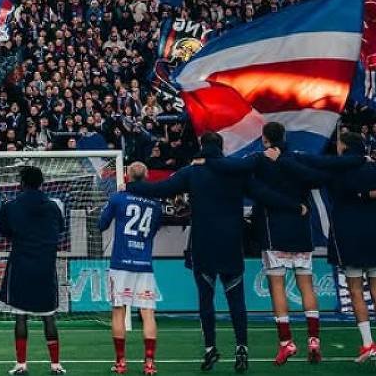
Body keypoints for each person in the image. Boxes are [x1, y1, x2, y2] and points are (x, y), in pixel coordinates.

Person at [126, 132, 304, 373]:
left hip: (203, 246)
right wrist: (295, 206)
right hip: (231, 245)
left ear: (201, 146)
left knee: (205, 301)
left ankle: (210, 349)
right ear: (222, 147)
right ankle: (242, 348)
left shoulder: (193, 171)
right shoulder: (236, 172)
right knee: (236, 302)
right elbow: (265, 195)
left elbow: (160, 189)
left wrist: (130, 186)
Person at [290, 131, 376, 362]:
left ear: (344, 147)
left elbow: (313, 170)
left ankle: (368, 343)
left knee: (356, 290)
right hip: (373, 234)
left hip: (348, 236)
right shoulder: (371, 167)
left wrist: (291, 157)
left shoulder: (337, 171)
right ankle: (368, 345)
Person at [252, 122, 323, 364]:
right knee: (307, 286)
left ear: (264, 139)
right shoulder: (298, 159)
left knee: (278, 288)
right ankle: (314, 340)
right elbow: (316, 179)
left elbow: (256, 191)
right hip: (301, 230)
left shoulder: (262, 161)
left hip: (275, 233)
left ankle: (286, 343)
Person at [0, 166, 65, 376]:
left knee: (20, 316)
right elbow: (60, 230)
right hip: (45, 266)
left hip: (21, 265)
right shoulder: (53, 207)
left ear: (22, 183)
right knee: (49, 317)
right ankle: (55, 365)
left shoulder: (11, 206)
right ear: (41, 183)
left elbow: (4, 231)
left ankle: (21, 365)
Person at [98, 162, 163, 375]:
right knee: (148, 313)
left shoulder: (118, 197)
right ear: (147, 176)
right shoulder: (155, 204)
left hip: (120, 264)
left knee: (118, 312)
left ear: (127, 176)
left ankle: (121, 363)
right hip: (144, 263)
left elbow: (101, 224)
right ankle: (150, 364)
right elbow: (153, 231)